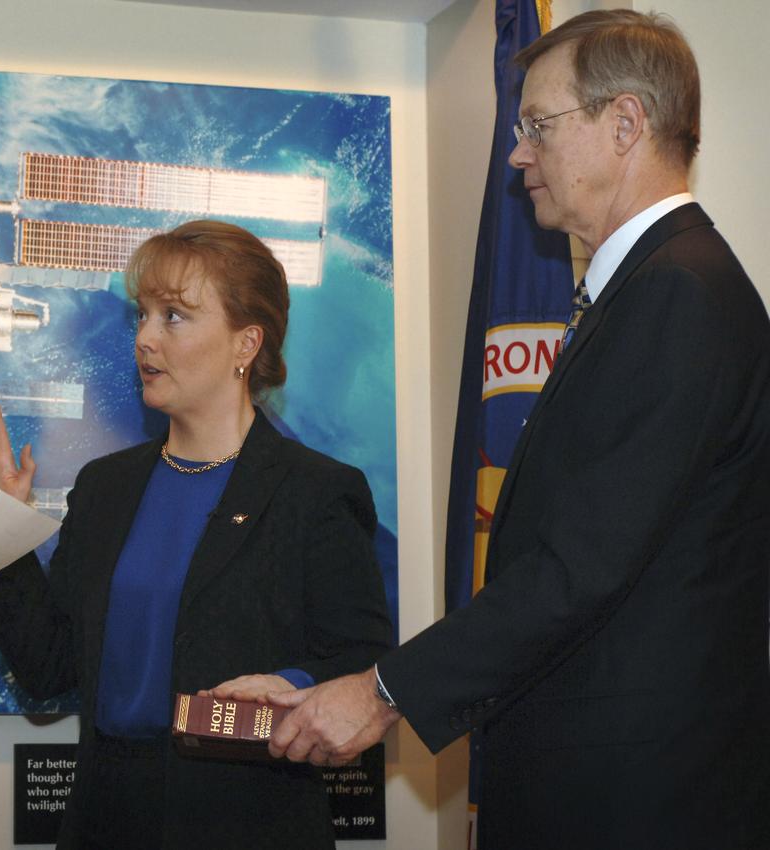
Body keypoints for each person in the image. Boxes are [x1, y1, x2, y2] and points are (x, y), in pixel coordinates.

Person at [264, 11, 770, 850]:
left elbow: (580, 568)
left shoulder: (678, 295)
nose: (517, 153)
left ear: (625, 125)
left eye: (538, 125)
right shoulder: (654, 287)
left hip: (635, 805)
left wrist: (381, 692)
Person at [0, 219, 391, 849]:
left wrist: (291, 691)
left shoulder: (315, 492)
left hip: (249, 821)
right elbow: (48, 668)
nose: (144, 339)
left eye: (174, 317)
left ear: (247, 344)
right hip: (106, 817)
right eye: (143, 315)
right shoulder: (106, 487)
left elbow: (360, 663)